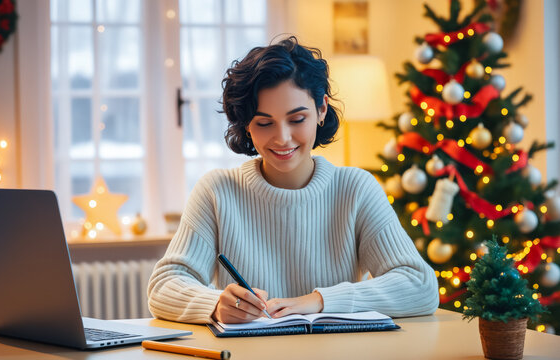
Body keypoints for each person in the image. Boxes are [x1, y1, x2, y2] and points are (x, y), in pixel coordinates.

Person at [148, 36, 439, 324]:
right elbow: (163, 286)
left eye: (297, 119)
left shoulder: (356, 189)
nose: (282, 138)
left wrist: (319, 301)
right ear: (246, 125)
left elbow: (420, 287)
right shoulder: (217, 191)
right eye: (264, 123)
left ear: (321, 109)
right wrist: (214, 304)